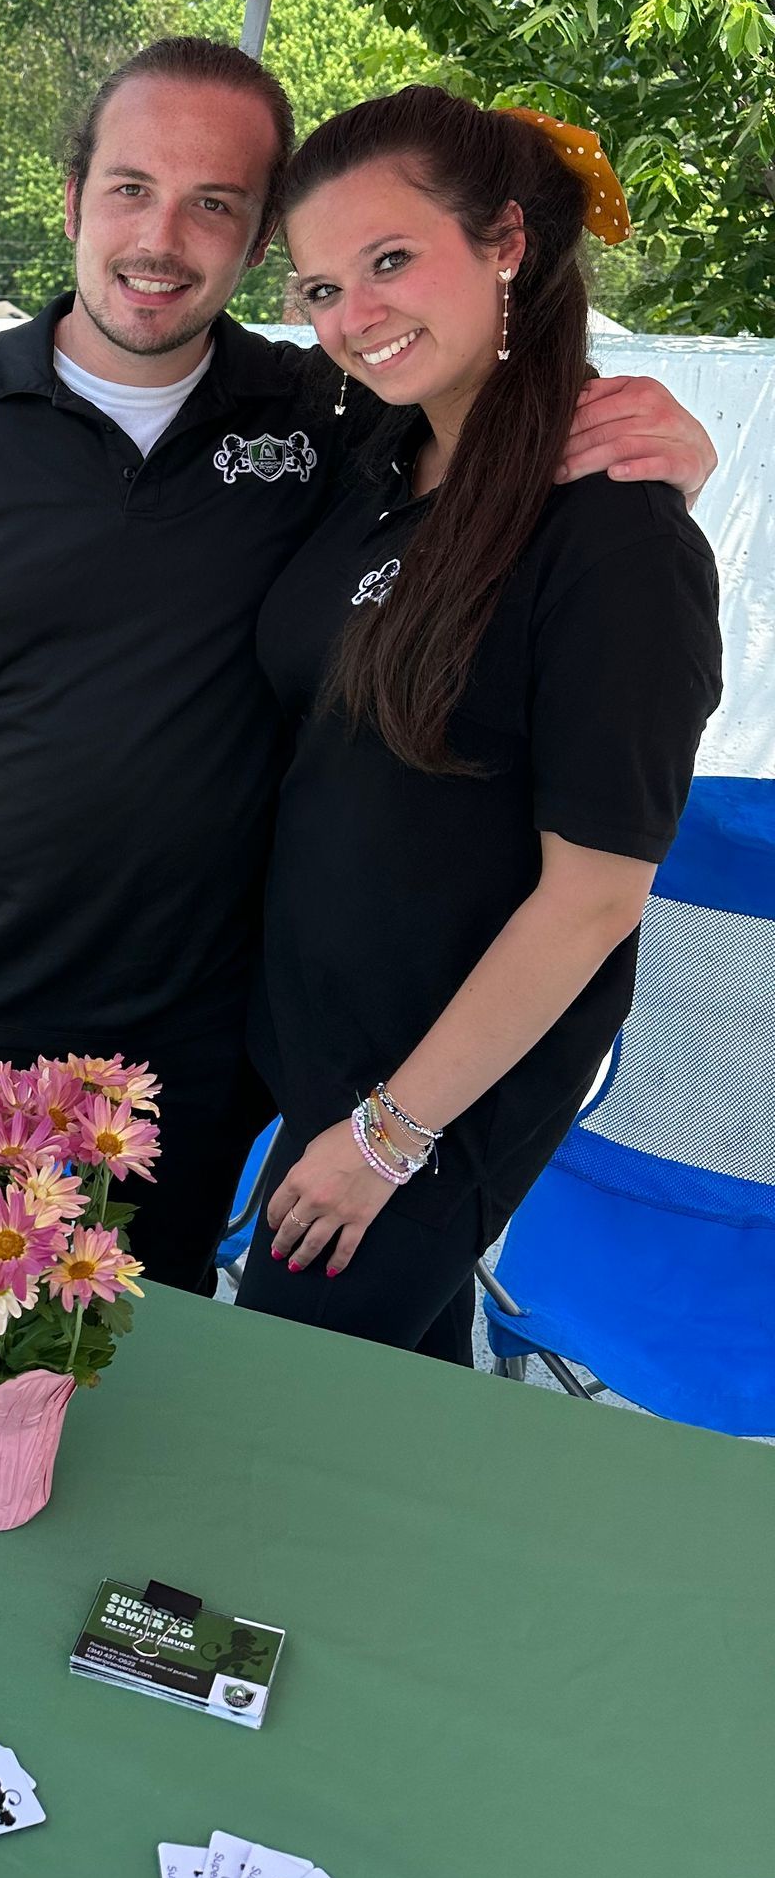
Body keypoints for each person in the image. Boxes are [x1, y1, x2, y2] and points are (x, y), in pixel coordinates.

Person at [0, 38, 717, 1295]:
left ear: (252, 232)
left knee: (148, 1353)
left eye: (214, 202)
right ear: (72, 200)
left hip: (206, 1027)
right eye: (129, 188)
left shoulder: (324, 412)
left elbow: (500, 446)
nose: (161, 236)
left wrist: (668, 459)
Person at [238, 88, 722, 1361]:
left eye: (390, 260)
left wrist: (389, 1139)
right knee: (372, 1399)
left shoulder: (612, 532)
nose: (353, 317)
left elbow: (596, 898)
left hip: (423, 1105)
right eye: (322, 287)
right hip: (310, 1048)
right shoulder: (381, 462)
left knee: (312, 1419)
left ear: (506, 241)